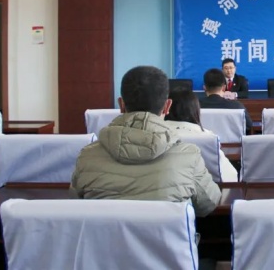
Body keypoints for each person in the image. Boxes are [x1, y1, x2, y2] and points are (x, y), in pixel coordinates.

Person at [70, 66, 221, 217]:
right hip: (163, 233)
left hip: (105, 233)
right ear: (167, 106)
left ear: (121, 105)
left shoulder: (87, 156)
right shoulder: (189, 155)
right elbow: (208, 203)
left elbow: (75, 204)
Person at [165, 90, 238, 182]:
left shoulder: (154, 133)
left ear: (166, 107)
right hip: (205, 187)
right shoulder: (208, 137)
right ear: (196, 109)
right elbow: (229, 175)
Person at [199, 68, 253, 134]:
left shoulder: (196, 106)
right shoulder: (236, 106)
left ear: (204, 88)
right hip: (231, 140)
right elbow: (249, 125)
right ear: (224, 88)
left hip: (204, 140)